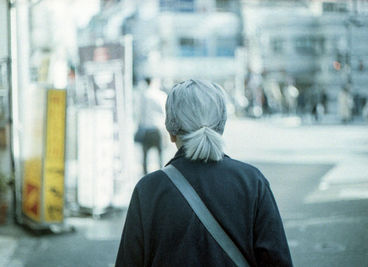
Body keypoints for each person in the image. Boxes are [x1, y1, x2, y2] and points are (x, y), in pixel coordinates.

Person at [116, 79, 293, 266]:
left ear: (171, 131)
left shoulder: (149, 189)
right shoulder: (252, 182)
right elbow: (276, 260)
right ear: (221, 127)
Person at [135, 77, 167, 174]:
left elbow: (140, 113)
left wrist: (139, 125)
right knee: (160, 154)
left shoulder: (144, 95)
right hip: (159, 128)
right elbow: (165, 112)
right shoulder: (162, 95)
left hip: (146, 129)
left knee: (145, 155)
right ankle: (162, 173)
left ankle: (145, 176)